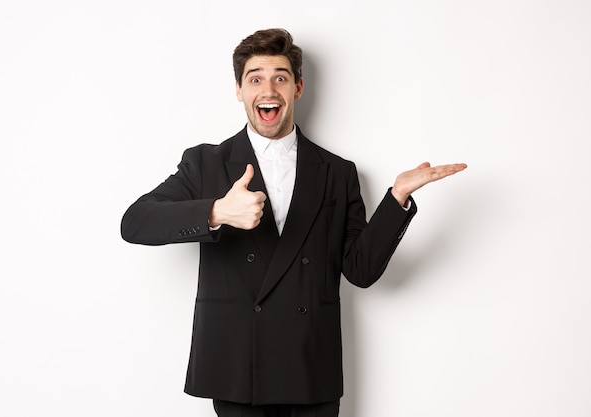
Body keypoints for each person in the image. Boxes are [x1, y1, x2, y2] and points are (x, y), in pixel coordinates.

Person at [121, 28, 466, 417]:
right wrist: (216, 212)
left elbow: (361, 270)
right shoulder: (205, 163)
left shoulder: (337, 172)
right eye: (255, 78)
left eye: (280, 78)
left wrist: (397, 199)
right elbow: (135, 223)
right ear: (239, 89)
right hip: (238, 368)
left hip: (309, 367)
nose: (268, 90)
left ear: (298, 87)